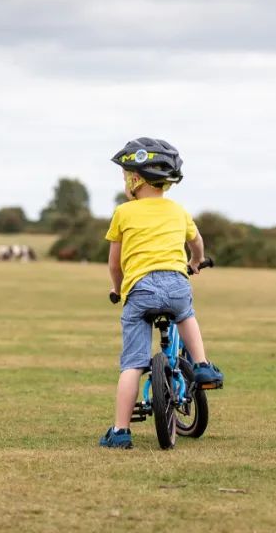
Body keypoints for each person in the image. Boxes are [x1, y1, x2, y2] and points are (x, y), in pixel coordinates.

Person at [99, 137, 224, 449]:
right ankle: (201, 364)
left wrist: (117, 288)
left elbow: (115, 264)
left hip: (140, 289)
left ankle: (120, 431)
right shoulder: (178, 211)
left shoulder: (123, 213)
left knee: (132, 364)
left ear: (135, 179)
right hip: (176, 283)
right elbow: (196, 244)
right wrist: (195, 261)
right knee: (185, 314)